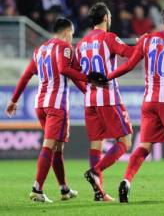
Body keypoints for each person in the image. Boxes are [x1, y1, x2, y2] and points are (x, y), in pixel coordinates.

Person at [97, 7, 164, 202]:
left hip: (149, 101)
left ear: (163, 21)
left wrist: (107, 77)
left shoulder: (146, 39)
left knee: (145, 145)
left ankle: (127, 181)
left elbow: (128, 65)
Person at [5, 17, 101, 203]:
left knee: (57, 147)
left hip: (40, 105)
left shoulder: (39, 50)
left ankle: (64, 189)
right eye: (71, 34)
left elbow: (26, 76)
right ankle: (37, 189)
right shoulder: (65, 48)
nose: (71, 39)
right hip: (57, 105)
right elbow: (68, 71)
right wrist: (89, 82)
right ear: (67, 32)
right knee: (50, 146)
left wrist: (14, 100)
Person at [76, 2, 134, 202]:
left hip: (90, 99)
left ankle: (98, 193)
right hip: (108, 97)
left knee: (96, 143)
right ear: (106, 18)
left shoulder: (81, 43)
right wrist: (143, 45)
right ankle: (96, 171)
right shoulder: (109, 38)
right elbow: (129, 53)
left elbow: (77, 72)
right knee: (125, 141)